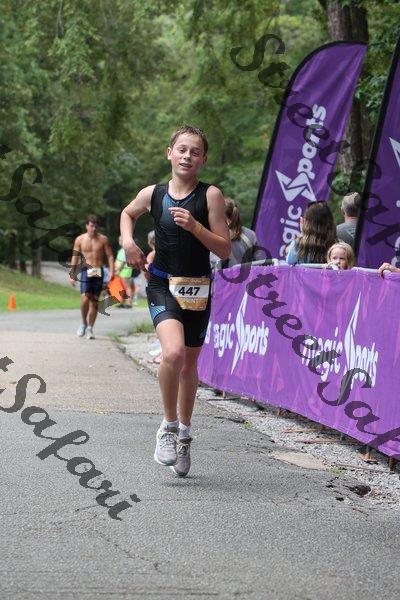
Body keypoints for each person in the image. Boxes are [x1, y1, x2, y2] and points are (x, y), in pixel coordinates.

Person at [120, 124, 230, 477]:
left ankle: (184, 433)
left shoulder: (210, 196)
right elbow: (127, 214)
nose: (187, 156)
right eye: (181, 149)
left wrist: (196, 227)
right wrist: (128, 242)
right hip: (162, 284)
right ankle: (167, 427)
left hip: (197, 287)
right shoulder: (153, 193)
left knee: (188, 366)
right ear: (169, 153)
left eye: (195, 152)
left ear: (203, 160)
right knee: (173, 353)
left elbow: (224, 249)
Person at [70, 215, 114, 339]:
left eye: (96, 226)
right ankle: (83, 323)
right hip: (86, 270)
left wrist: (112, 271)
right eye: (91, 226)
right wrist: (72, 274)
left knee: (94, 300)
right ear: (87, 226)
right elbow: (75, 256)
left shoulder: (103, 239)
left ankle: (90, 328)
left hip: (97, 270)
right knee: (85, 298)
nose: (93, 228)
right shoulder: (80, 239)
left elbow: (110, 256)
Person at [210, 197, 264, 269]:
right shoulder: (250, 234)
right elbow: (260, 263)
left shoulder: (215, 235)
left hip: (223, 275)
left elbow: (213, 266)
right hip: (248, 275)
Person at [286, 201, 337, 265]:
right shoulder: (337, 245)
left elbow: (289, 265)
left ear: (307, 223)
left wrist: (303, 233)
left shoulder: (297, 245)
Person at [115, 235, 134, 308]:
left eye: (121, 240)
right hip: (121, 271)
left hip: (125, 270)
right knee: (122, 287)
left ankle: (129, 303)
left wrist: (118, 270)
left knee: (127, 287)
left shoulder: (125, 250)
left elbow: (123, 261)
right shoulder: (121, 250)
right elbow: (118, 260)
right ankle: (122, 302)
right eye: (119, 240)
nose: (120, 241)